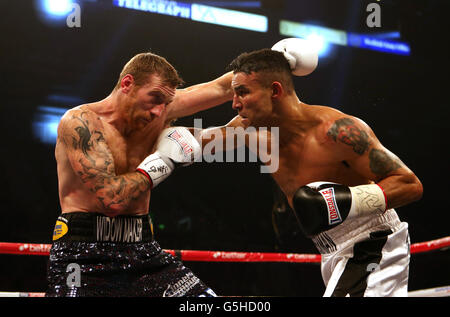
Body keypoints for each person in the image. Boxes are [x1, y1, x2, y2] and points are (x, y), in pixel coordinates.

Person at [196, 39, 423, 297]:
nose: (235, 103)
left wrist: (346, 202)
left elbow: (409, 184)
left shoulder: (338, 131)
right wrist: (151, 127)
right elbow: (198, 142)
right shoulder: (250, 130)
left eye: (243, 92)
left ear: (275, 90)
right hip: (330, 250)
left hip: (373, 240)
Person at [46, 52, 233, 297]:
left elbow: (221, 87)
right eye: (154, 98)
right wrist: (165, 160)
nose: (159, 111)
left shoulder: (159, 108)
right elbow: (111, 199)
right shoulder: (81, 122)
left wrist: (279, 60)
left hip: (143, 249)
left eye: (165, 103)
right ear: (127, 84)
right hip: (82, 255)